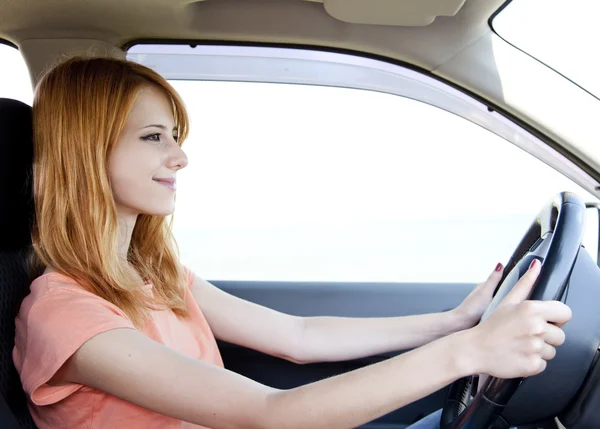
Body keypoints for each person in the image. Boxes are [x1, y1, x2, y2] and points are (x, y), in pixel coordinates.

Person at [12, 56, 572, 429]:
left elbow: (298, 336)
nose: (180, 157)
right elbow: (269, 412)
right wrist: (469, 353)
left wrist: (453, 322)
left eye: (177, 138)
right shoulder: (67, 316)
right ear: (85, 152)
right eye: (154, 138)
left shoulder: (153, 275)